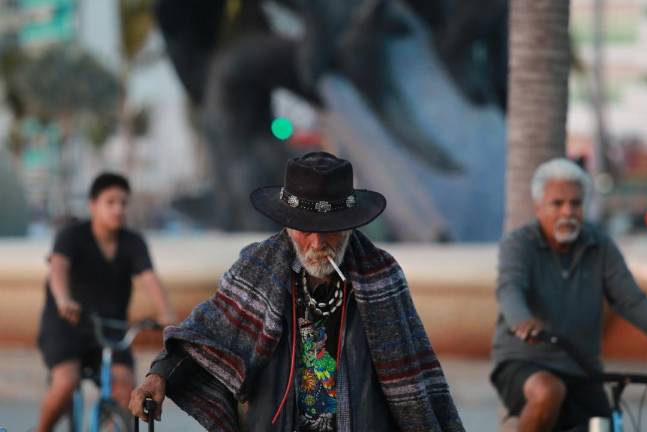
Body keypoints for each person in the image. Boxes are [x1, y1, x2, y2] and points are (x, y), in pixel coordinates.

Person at [129, 152, 465, 432]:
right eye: (307, 230)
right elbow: (206, 334)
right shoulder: (257, 268)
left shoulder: (382, 276)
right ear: (288, 223)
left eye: (331, 230)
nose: (318, 243)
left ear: (350, 223)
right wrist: (159, 376)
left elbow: (418, 377)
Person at [490, 158, 647, 432]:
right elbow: (510, 287)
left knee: (604, 425)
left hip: (582, 367)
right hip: (524, 361)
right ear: (538, 206)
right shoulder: (519, 244)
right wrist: (522, 320)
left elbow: (630, 299)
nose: (568, 212)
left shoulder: (599, 245)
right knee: (548, 393)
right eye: (557, 204)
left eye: (576, 204)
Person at [36, 172, 176, 432]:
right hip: (67, 326)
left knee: (125, 387)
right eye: (110, 202)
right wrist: (64, 299)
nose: (118, 209)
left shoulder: (132, 242)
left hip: (110, 330)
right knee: (66, 381)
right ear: (93, 205)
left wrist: (167, 315)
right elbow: (58, 268)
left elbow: (150, 279)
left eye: (123, 203)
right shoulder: (72, 236)